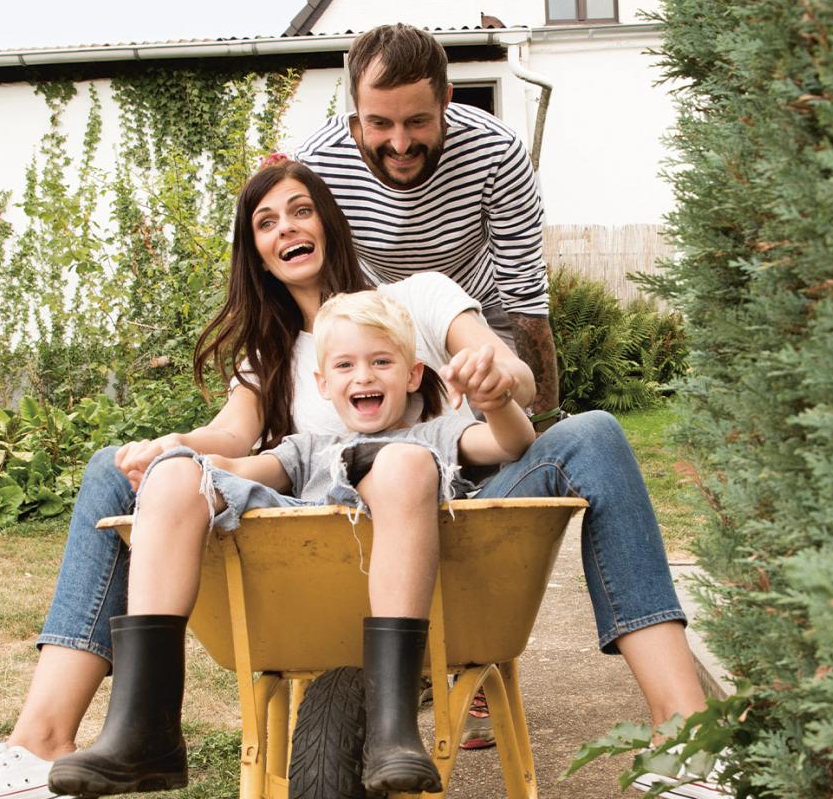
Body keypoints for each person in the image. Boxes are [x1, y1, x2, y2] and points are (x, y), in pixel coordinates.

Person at [0, 159, 708, 799]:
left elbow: (506, 384)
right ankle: (42, 742)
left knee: (597, 433)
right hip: (314, 547)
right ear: (256, 252)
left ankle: (689, 740)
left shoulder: (416, 301)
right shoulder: (277, 355)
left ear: (330, 221)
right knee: (114, 468)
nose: (286, 230)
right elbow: (230, 438)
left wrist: (496, 373)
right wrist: (169, 448)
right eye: (266, 223)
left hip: (451, 527)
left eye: (300, 211)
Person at [46, 290, 534, 796]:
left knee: (404, 463)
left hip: (414, 575)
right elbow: (237, 469)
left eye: (381, 362)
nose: (363, 376)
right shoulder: (307, 450)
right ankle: (144, 730)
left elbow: (509, 444)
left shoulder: (436, 437)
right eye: (345, 365)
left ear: (413, 375)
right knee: (173, 477)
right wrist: (176, 452)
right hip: (299, 601)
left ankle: (394, 728)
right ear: (322, 385)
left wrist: (496, 404)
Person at [297, 23, 562, 429]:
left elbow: (524, 294)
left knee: (500, 421)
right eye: (380, 123)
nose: (400, 144)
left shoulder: (497, 153)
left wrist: (543, 418)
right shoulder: (318, 163)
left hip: (480, 310)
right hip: (378, 314)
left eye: (417, 121)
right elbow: (313, 275)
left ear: (446, 101)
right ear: (355, 107)